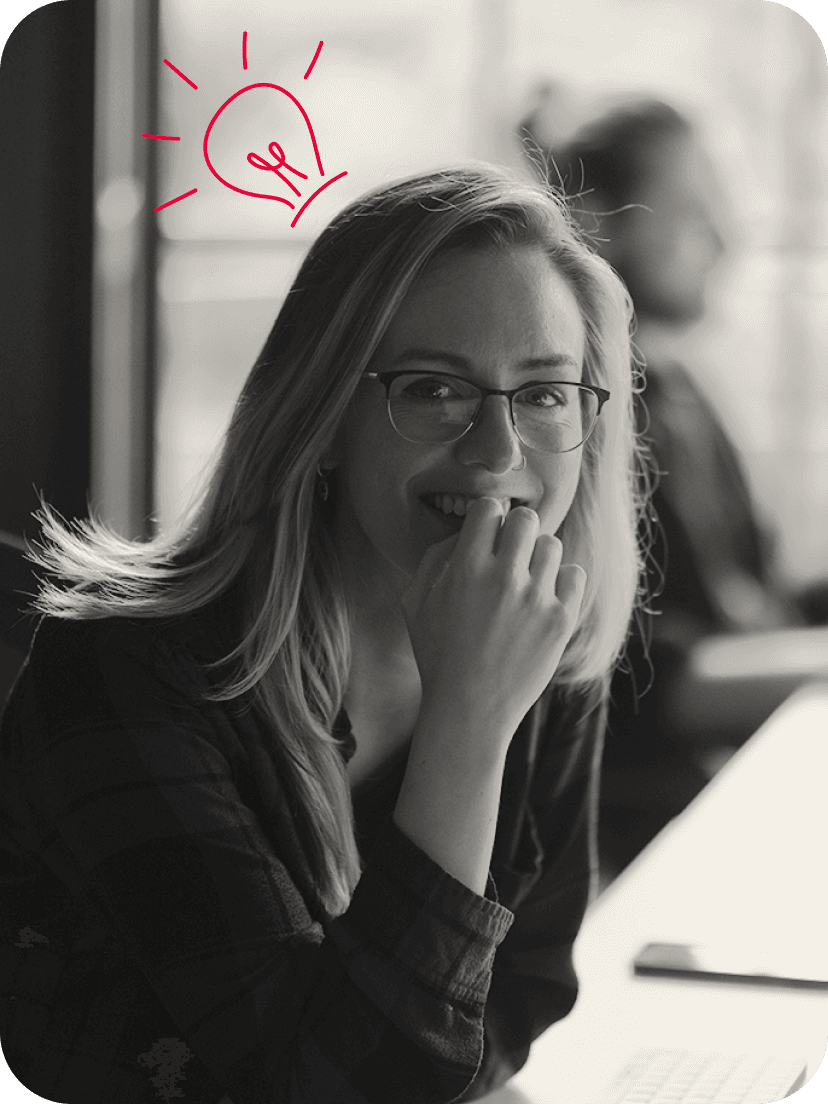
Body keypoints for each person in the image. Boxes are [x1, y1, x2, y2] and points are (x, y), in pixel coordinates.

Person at [0, 164, 645, 1103]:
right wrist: (469, 722)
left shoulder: (539, 640)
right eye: (433, 390)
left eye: (545, 395)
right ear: (325, 416)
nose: (498, 453)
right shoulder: (125, 671)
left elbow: (522, 994)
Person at [522, 98, 826, 875]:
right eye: (694, 214)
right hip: (644, 829)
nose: (724, 241)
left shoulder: (684, 387)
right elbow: (645, 686)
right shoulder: (574, 425)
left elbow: (763, 598)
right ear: (598, 219)